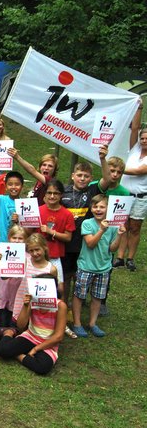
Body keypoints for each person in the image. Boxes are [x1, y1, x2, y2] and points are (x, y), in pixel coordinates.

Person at [71, 195, 125, 338]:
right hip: (86, 266)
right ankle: (77, 323)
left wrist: (119, 235)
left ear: (108, 209)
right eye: (95, 207)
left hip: (103, 268)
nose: (98, 209)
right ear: (91, 208)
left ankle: (92, 323)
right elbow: (90, 243)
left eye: (102, 207)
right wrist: (101, 230)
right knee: (79, 295)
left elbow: (112, 248)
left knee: (97, 297)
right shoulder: (87, 224)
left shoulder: (113, 226)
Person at [0, 274, 66, 375]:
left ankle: (17, 354)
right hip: (30, 337)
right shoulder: (33, 302)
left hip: (48, 343)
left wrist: (36, 349)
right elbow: (21, 325)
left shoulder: (60, 306)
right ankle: (8, 332)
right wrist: (26, 306)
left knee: (43, 367)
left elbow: (58, 337)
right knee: (3, 350)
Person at [116, 103, 146, 270]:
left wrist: (115, 170)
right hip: (124, 194)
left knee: (135, 227)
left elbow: (139, 171)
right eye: (142, 138)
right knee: (123, 225)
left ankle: (131, 258)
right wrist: (139, 109)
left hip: (140, 197)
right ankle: (120, 257)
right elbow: (135, 128)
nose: (144, 140)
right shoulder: (134, 149)